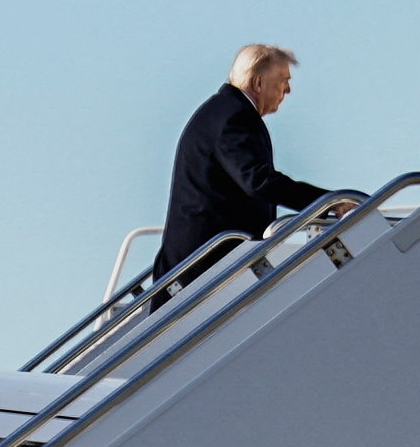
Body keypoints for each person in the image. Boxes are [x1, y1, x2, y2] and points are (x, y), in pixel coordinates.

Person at [152, 45, 357, 296]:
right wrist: (329, 202)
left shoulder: (224, 110)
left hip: (200, 261)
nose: (288, 90)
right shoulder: (234, 117)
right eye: (283, 80)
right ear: (259, 83)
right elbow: (258, 181)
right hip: (206, 266)